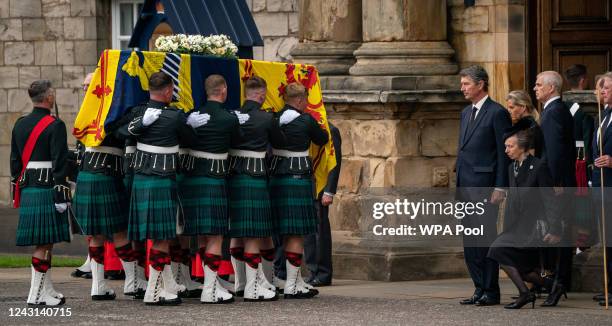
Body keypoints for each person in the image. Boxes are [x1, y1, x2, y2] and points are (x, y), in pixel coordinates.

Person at [126, 72, 200, 305]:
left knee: (159, 237)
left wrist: (139, 123)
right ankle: (153, 292)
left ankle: (167, 286)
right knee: (161, 238)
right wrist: (190, 124)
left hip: (141, 180)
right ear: (168, 91)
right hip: (162, 180)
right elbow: (191, 140)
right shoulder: (175, 116)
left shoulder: (138, 113)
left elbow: (122, 133)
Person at [73, 73, 146, 301]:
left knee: (96, 234)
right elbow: (124, 133)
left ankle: (98, 285)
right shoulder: (112, 112)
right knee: (119, 232)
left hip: (87, 175)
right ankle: (132, 283)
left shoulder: (86, 112)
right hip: (106, 175)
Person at [180, 74, 240, 304]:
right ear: (223, 90)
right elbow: (238, 142)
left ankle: (210, 283)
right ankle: (209, 290)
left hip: (192, 178)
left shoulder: (193, 116)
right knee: (216, 234)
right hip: (214, 178)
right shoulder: (228, 118)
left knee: (204, 234)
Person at [11, 80, 71, 306]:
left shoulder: (20, 123)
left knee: (46, 242)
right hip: (47, 188)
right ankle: (36, 295)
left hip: (29, 188)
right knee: (43, 244)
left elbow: (15, 161)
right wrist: (62, 193)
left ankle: (46, 288)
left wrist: (18, 189)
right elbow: (59, 162)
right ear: (49, 97)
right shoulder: (55, 125)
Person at [488, 129, 562, 309]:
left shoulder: (538, 166)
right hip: (516, 225)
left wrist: (554, 229)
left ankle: (525, 293)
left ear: (523, 147)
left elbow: (549, 199)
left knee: (497, 250)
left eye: (510, 146)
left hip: (534, 225)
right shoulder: (510, 167)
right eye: (505, 146)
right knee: (522, 267)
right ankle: (554, 286)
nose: (506, 150)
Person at [269, 82, 328, 298]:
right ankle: (293, 284)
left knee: (284, 231)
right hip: (298, 179)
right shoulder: (305, 120)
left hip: (276, 179)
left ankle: (293, 280)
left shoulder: (273, 119)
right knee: (296, 232)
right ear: (301, 100)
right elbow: (323, 139)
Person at [226, 76, 279, 301]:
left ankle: (242, 282)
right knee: (255, 233)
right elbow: (280, 142)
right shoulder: (266, 118)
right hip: (255, 176)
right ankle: (253, 286)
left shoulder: (231, 116)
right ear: (261, 94)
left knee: (238, 231)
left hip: (233, 176)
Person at [534, 70, 576, 306]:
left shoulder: (554, 112)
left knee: (557, 234)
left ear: (551, 88)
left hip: (555, 185)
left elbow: (556, 152)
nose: (535, 88)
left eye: (539, 84)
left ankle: (557, 283)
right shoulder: (553, 110)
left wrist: (556, 182)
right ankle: (555, 282)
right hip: (555, 182)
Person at [304, 122, 342, 287]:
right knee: (308, 233)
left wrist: (329, 191)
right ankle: (313, 271)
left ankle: (324, 273)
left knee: (321, 232)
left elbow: (335, 162)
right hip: (307, 185)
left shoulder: (331, 130)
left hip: (321, 187)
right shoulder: (305, 126)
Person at [564, 64, 595, 249]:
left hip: (565, 164)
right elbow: (586, 140)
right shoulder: (585, 110)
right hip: (580, 165)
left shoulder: (559, 105)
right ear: (583, 80)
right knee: (583, 207)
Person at [591, 72, 612, 306]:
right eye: (600, 88)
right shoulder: (603, 114)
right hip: (601, 184)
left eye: (605, 87)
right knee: (606, 237)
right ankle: (609, 286)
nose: (602, 91)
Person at [505, 90, 544, 158]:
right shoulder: (520, 126)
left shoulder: (530, 128)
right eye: (508, 108)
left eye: (511, 107)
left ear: (523, 107)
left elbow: (530, 158)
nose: (509, 111)